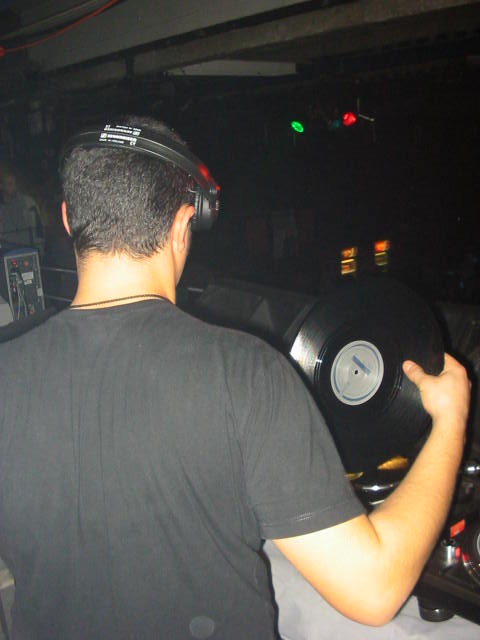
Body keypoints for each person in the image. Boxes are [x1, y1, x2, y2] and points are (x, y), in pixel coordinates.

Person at [0, 116, 470, 639]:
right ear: (183, 224)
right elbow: (374, 588)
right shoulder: (244, 374)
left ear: (68, 220)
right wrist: (450, 420)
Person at [0, 167, 44, 253]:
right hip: (7, 252)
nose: (13, 187)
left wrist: (40, 249)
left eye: (14, 183)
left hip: (29, 249)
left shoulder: (28, 203)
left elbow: (39, 229)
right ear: (1, 186)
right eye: (9, 184)